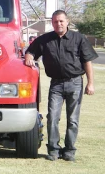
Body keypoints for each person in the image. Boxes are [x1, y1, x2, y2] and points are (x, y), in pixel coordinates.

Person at [24, 10, 98, 162]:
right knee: (52, 117)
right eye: (55, 21)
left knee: (73, 120)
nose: (59, 24)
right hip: (56, 85)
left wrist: (90, 83)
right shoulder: (44, 39)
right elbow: (30, 52)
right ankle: (53, 150)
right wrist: (29, 58)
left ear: (67, 21)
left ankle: (69, 150)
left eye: (61, 21)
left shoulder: (79, 38)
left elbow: (87, 62)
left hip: (75, 82)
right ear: (52, 23)